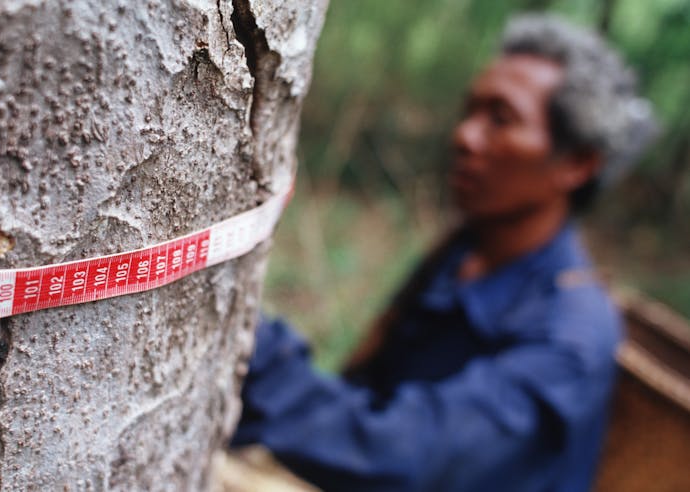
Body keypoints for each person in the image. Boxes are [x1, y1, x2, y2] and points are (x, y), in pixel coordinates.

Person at [231, 14, 656, 492]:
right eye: (470, 111)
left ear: (577, 163)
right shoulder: (466, 251)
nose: (465, 136)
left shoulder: (572, 336)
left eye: (501, 118)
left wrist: (241, 337)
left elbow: (405, 454)